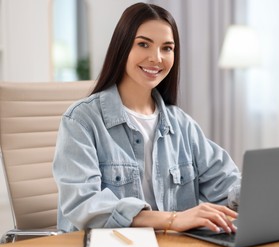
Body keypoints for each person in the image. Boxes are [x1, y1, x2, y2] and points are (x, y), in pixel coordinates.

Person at [53, 2, 241, 234]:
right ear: (122, 47)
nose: (156, 58)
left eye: (167, 48)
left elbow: (227, 185)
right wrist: (172, 219)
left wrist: (272, 189)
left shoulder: (181, 124)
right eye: (143, 44)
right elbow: (84, 204)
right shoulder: (81, 120)